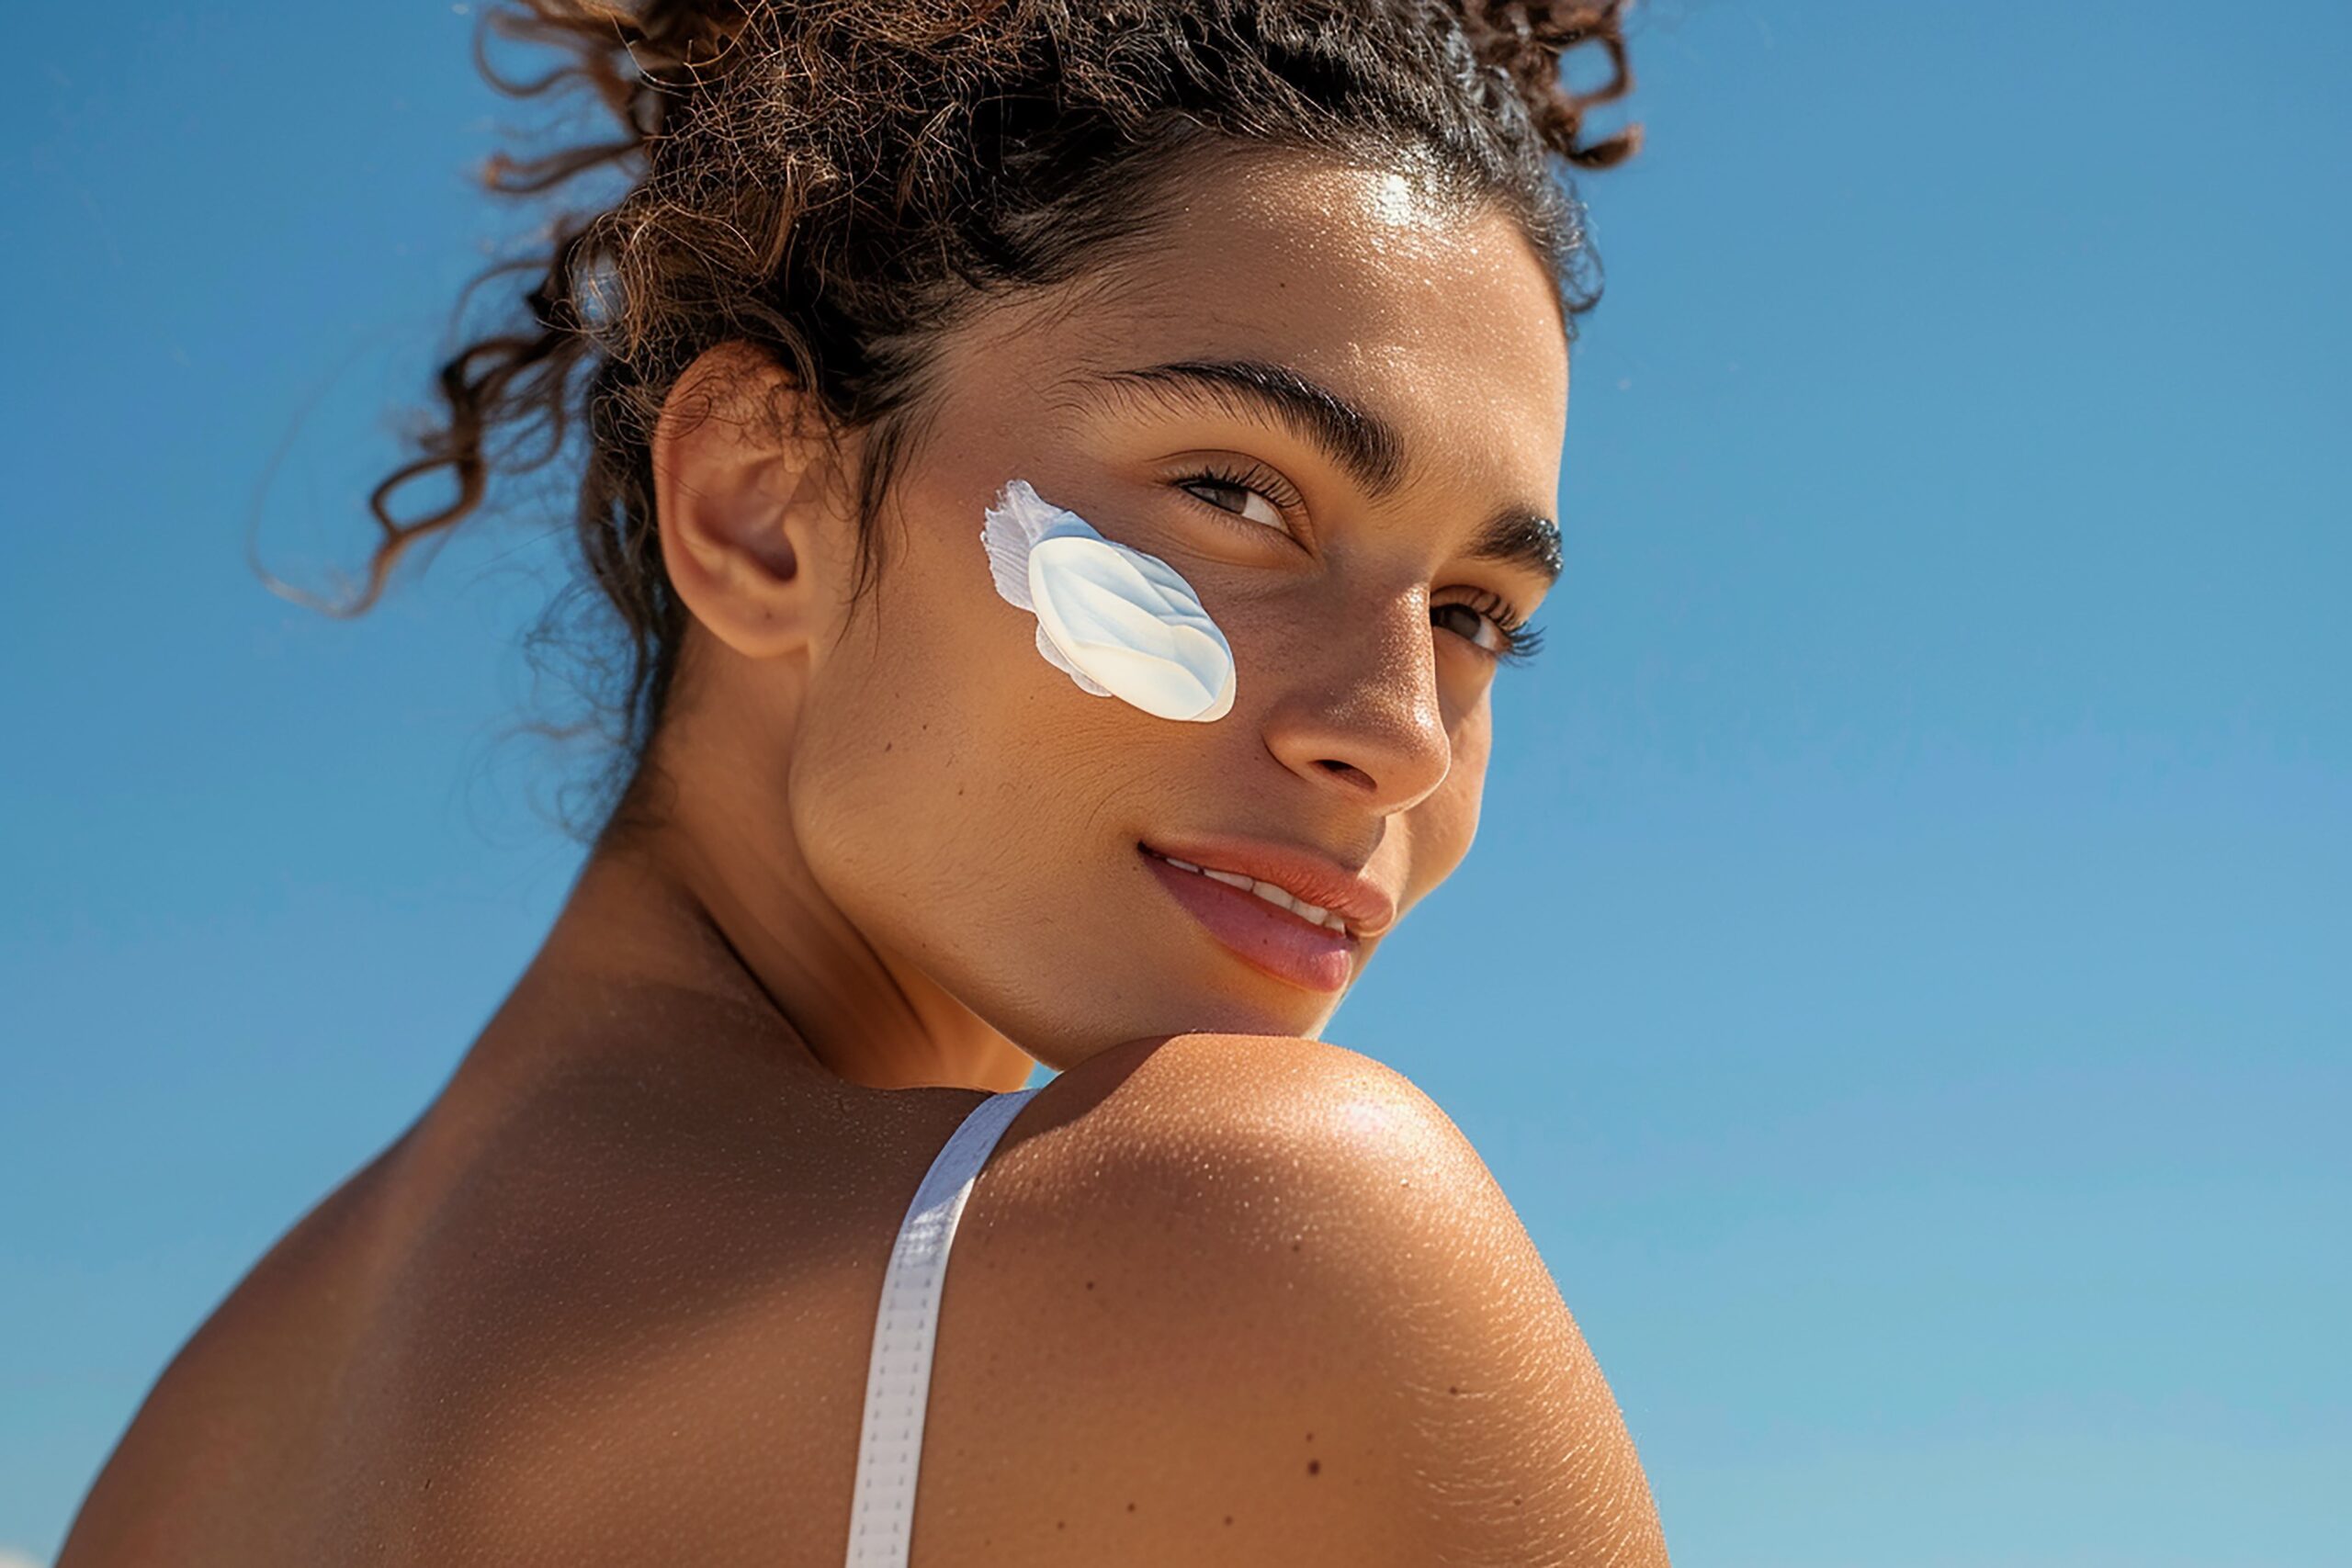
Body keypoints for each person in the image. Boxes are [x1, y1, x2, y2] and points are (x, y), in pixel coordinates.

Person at [58, 0, 1668, 1562]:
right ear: (765, 508)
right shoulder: (1271, 1228)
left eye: (1472, 617)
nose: (1398, 737)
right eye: (1239, 496)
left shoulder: (176, 1462)